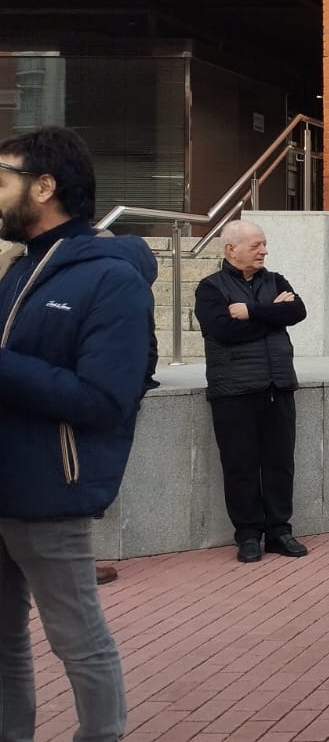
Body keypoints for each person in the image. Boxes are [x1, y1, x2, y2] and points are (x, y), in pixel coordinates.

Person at [0, 126, 158, 742]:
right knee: (4, 642)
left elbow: (103, 400)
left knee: (78, 640)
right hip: (5, 477)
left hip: (51, 491)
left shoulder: (109, 278)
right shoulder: (21, 268)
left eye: (3, 176)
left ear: (45, 186)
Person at [195, 220, 311, 562]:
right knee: (240, 465)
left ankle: (279, 531)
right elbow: (222, 330)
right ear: (231, 249)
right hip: (234, 390)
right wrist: (274, 316)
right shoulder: (210, 287)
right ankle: (247, 535)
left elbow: (298, 311)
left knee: (279, 463)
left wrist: (251, 312)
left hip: (278, 385)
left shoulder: (275, 281)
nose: (264, 251)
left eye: (264, 244)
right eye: (255, 245)